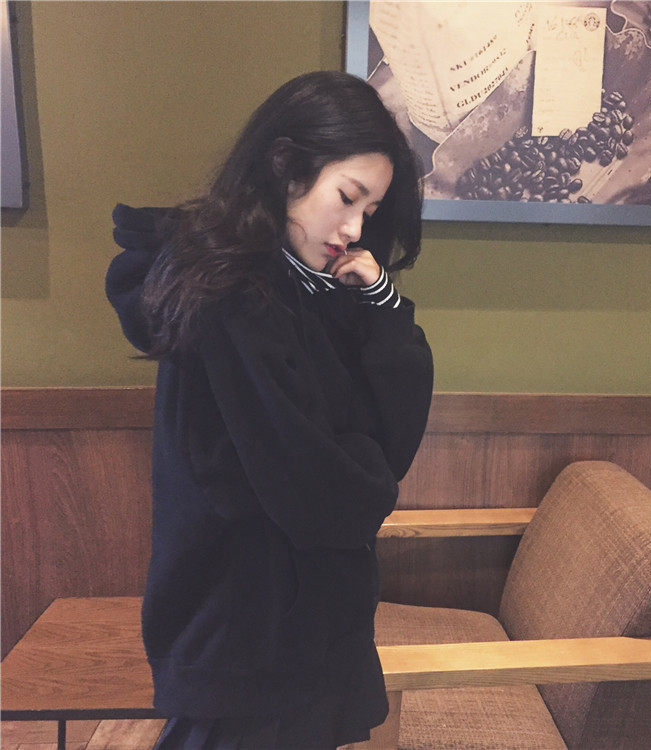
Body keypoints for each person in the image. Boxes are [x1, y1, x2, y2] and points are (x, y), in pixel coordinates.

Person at [105, 70, 434, 749]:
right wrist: (364, 463)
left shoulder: (299, 290)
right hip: (252, 640)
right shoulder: (236, 299)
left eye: (371, 211)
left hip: (286, 635)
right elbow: (332, 497)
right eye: (348, 197)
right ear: (286, 167)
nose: (354, 229)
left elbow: (380, 448)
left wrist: (381, 305)